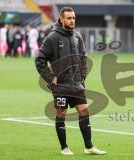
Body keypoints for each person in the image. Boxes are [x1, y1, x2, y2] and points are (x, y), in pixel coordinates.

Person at [35, 7, 107, 156]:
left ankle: (89, 147)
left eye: (73, 18)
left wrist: (82, 77)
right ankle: (64, 148)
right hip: (60, 86)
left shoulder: (78, 37)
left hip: (76, 84)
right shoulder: (52, 38)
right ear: (61, 19)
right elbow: (40, 60)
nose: (72, 21)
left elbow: (83, 58)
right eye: (69, 18)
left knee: (84, 111)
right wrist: (50, 77)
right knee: (61, 113)